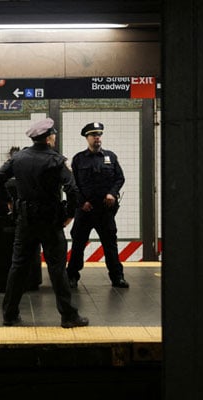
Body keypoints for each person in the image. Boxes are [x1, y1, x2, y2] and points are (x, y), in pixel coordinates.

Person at [0, 117, 88, 329]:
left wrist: (10, 201)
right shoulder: (56, 160)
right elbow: (72, 190)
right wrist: (69, 214)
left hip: (25, 221)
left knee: (18, 267)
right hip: (50, 221)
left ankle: (9, 314)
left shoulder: (18, 158)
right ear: (50, 137)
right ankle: (68, 316)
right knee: (57, 268)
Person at [66, 122, 129, 289]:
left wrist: (112, 193)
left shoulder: (111, 157)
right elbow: (73, 184)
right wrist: (81, 202)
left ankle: (117, 277)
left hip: (104, 211)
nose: (97, 138)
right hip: (85, 210)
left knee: (110, 244)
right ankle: (72, 277)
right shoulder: (79, 159)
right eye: (93, 135)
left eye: (99, 135)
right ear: (87, 138)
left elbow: (119, 178)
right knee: (78, 244)